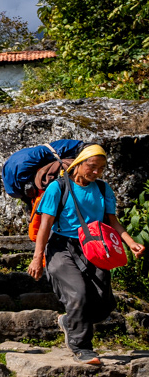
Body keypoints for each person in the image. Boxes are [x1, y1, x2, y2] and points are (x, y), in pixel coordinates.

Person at [28, 145, 145, 364]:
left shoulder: (102, 189)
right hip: (62, 247)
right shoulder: (58, 188)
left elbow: (112, 221)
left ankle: (69, 322)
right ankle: (82, 348)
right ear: (79, 164)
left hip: (95, 247)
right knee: (78, 294)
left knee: (103, 303)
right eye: (92, 167)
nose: (96, 173)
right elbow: (45, 225)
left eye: (101, 168)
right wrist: (38, 257)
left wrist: (130, 243)